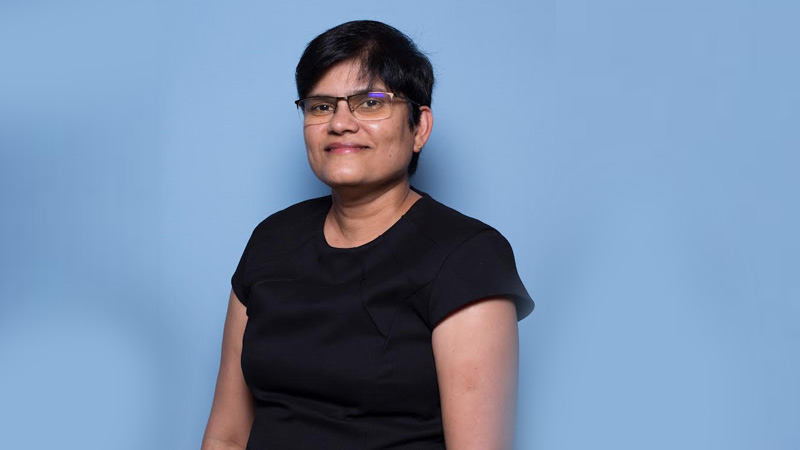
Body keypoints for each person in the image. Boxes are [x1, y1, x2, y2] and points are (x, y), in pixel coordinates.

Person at [202, 20, 534, 450]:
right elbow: (226, 437)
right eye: (321, 106)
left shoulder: (468, 258)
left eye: (370, 102)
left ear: (419, 128)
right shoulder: (271, 240)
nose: (340, 123)